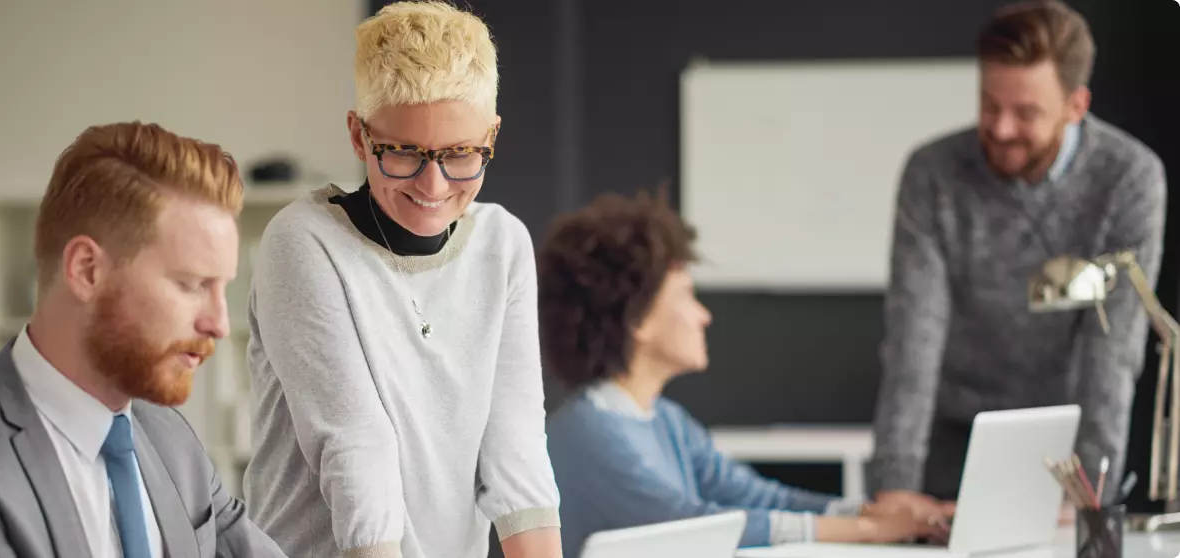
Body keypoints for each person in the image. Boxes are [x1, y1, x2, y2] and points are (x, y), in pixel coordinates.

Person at [0, 121, 286, 558]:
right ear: (86, 270)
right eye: (191, 284)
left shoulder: (170, 438)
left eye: (222, 288)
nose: (219, 323)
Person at [241, 2, 561, 557]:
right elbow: (355, 446)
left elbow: (517, 449)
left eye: (462, 154)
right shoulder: (303, 242)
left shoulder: (502, 245)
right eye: (404, 152)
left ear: (492, 136)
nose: (433, 185)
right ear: (359, 136)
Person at [539, 192, 953, 556]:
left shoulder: (666, 420)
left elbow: (754, 497)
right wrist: (866, 530)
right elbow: (691, 523)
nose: (704, 315)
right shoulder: (585, 431)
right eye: (687, 296)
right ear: (639, 319)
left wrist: (878, 512)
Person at [870, 0, 1167, 503]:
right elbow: (913, 342)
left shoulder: (1128, 179)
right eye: (990, 104)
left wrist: (1090, 492)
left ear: (1077, 105)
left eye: (1026, 112)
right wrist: (895, 488)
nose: (1002, 129)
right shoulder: (933, 174)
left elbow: (1111, 352)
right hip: (951, 440)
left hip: (1063, 447)